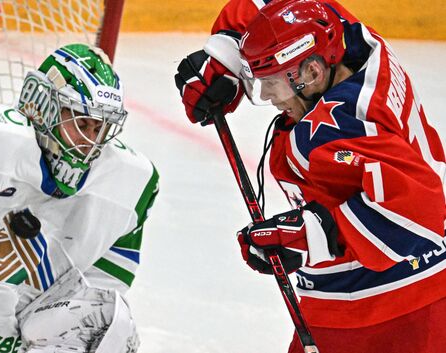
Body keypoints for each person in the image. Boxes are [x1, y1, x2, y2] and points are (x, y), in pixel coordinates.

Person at [174, 0, 446, 352]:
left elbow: (418, 210)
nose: (267, 96)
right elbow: (284, 6)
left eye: (270, 82)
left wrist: (311, 235)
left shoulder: (332, 134)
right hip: (411, 293)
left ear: (314, 73)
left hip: (387, 316)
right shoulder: (353, 39)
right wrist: (227, 52)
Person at [0, 43, 159, 352]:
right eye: (81, 123)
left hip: (27, 316)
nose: (90, 142)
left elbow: (100, 288)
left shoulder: (132, 182)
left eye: (100, 128)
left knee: (110, 324)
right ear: (43, 106)